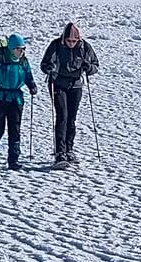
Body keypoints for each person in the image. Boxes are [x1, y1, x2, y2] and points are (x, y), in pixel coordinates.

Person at [41, 22, 100, 165]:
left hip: (76, 85)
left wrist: (88, 67)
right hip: (57, 83)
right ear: (64, 38)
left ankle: (69, 150)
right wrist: (49, 68)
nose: (71, 43)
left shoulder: (85, 47)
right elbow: (44, 64)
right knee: (62, 116)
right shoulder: (56, 45)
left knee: (71, 118)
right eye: (68, 41)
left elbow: (95, 65)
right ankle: (60, 152)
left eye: (74, 41)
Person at [0, 34, 37, 168]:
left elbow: (28, 75)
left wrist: (32, 85)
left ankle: (13, 159)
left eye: (23, 49)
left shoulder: (23, 61)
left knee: (15, 129)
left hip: (16, 99)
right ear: (11, 48)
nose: (21, 52)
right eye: (19, 49)